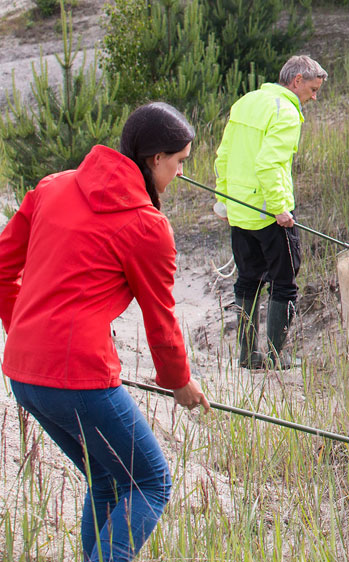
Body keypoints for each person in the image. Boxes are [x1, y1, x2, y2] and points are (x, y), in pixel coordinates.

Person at [0, 102, 210, 562]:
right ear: (156, 159)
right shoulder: (147, 227)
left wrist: (25, 334)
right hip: (77, 376)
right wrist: (179, 382)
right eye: (179, 163)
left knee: (110, 481)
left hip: (22, 372)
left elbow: (2, 267)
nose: (178, 173)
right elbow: (161, 318)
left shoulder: (52, 187)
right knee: (150, 482)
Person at [215, 54, 326, 370]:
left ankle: (248, 356)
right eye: (313, 89)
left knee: (248, 279)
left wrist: (224, 200)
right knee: (286, 279)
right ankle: (278, 357)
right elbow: (269, 164)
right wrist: (280, 209)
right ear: (297, 81)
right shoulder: (286, 112)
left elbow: (223, 155)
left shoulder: (248, 101)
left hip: (239, 209)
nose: (314, 97)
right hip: (268, 213)